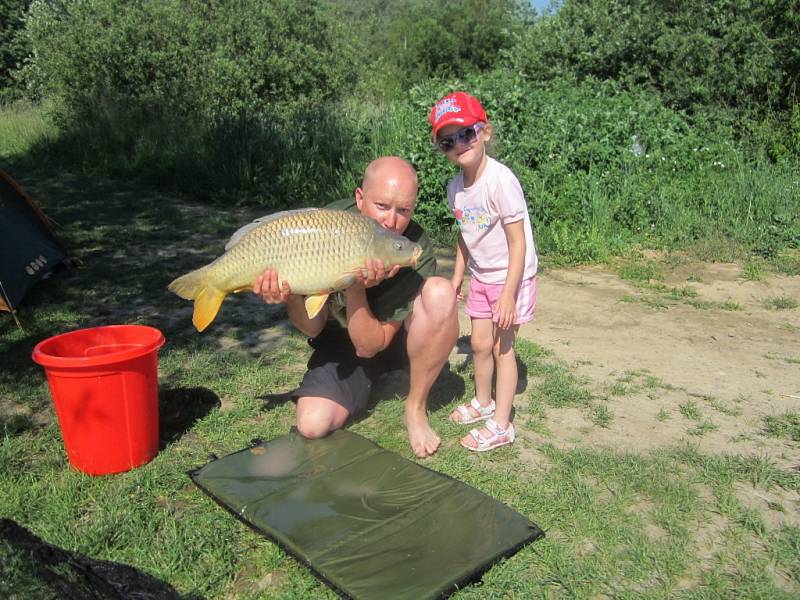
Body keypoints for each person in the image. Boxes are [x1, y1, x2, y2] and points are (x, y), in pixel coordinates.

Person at [252, 156, 458, 458]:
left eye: (404, 210)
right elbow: (312, 326)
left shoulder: (413, 247)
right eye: (382, 206)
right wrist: (291, 294)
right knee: (312, 425)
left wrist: (355, 289)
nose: (391, 221)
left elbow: (370, 346)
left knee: (440, 293)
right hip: (340, 344)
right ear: (360, 198)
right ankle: (365, 382)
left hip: (396, 338)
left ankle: (415, 408)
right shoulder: (329, 224)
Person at [429, 91, 538, 452]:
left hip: (512, 277)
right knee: (478, 343)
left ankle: (502, 424)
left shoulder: (500, 181)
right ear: (441, 148)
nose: (459, 144)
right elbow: (466, 235)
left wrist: (508, 293)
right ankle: (483, 401)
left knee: (502, 348)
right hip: (482, 276)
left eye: (467, 134)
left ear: (485, 132)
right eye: (448, 140)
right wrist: (458, 274)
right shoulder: (455, 189)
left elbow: (518, 243)